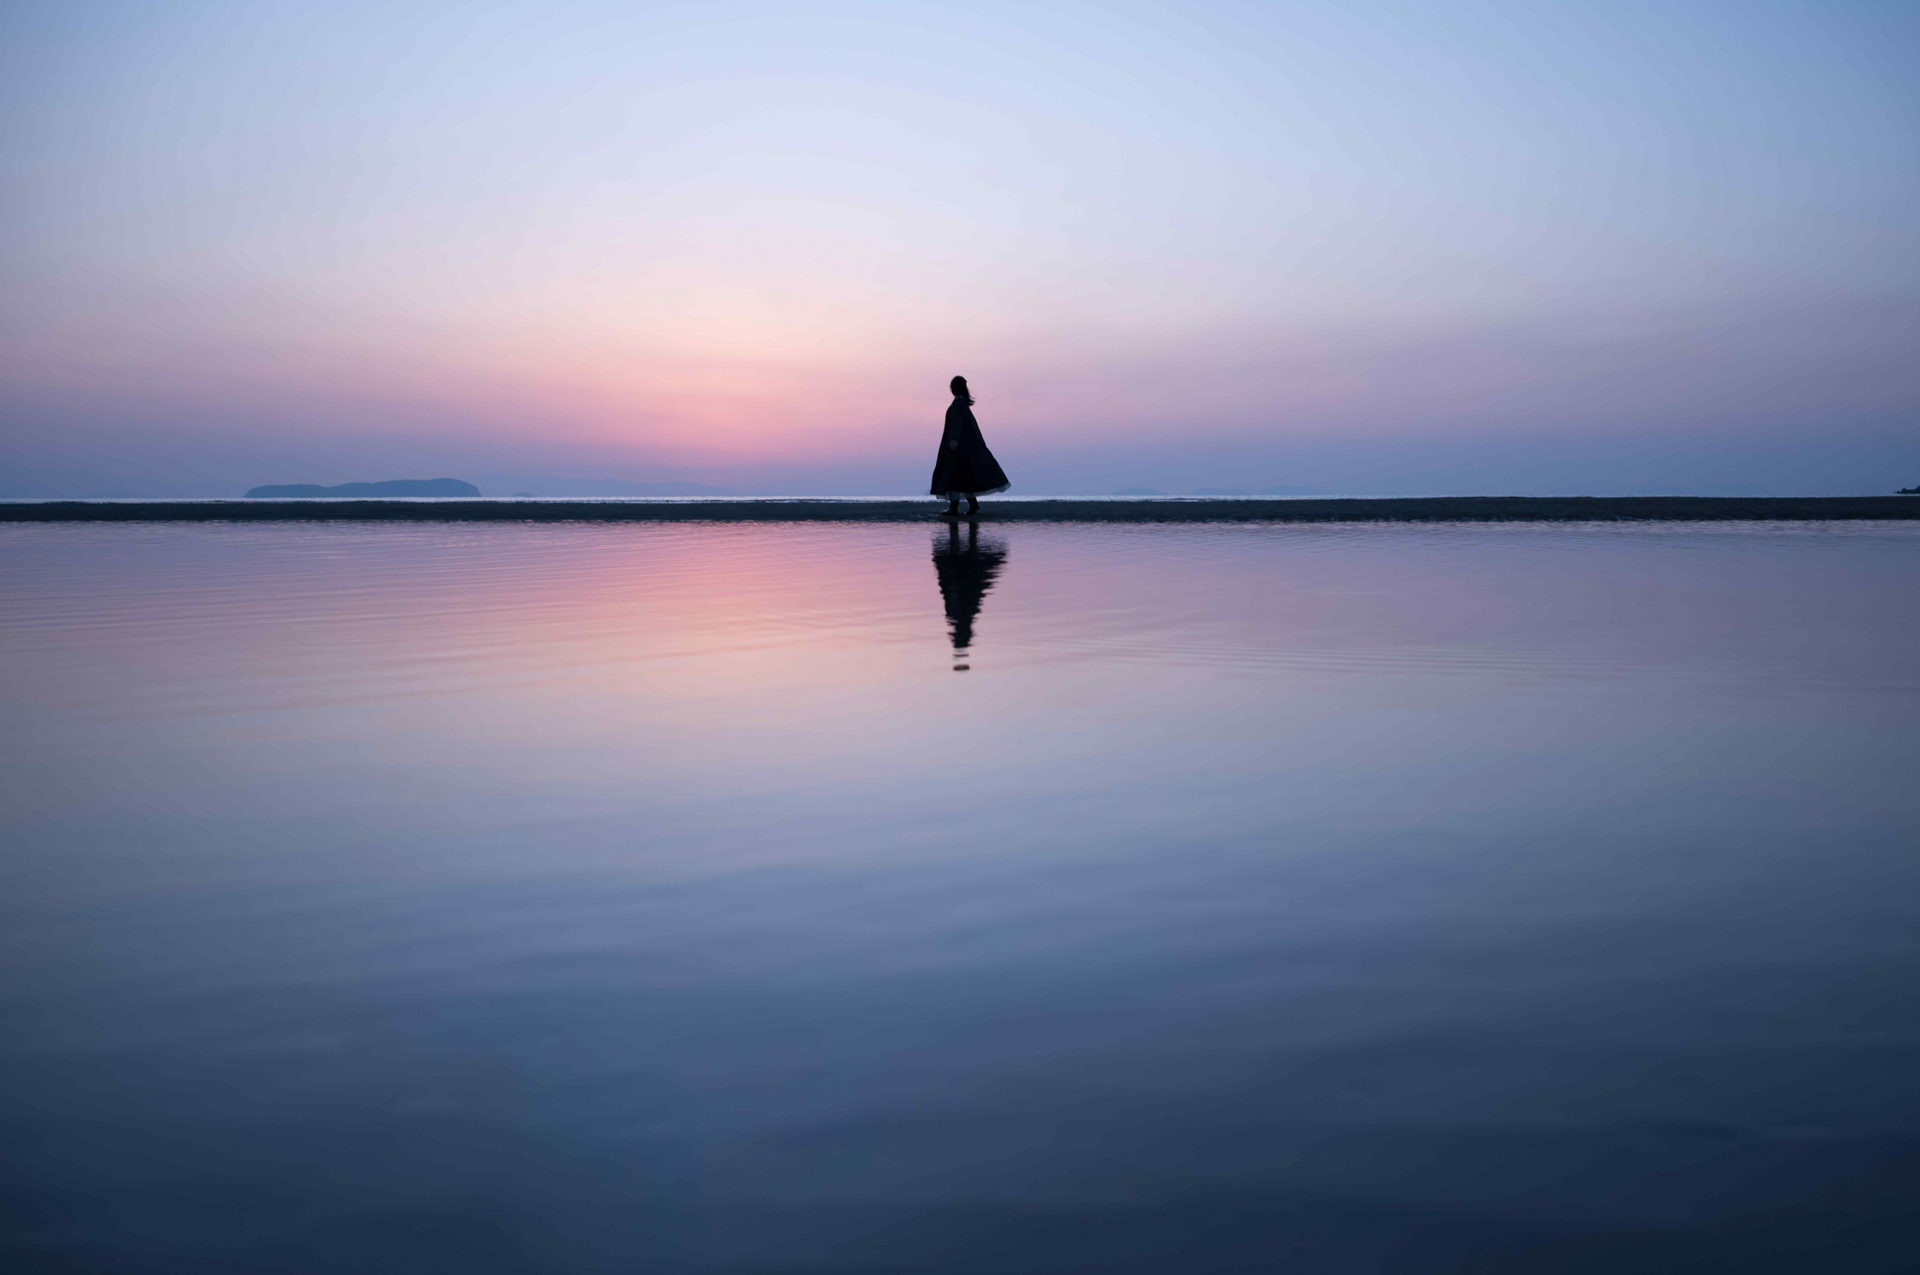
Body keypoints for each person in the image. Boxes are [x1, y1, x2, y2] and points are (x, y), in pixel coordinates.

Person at [929, 375, 1009, 516]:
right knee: (962, 477)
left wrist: (953, 440)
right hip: (965, 448)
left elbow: (956, 424)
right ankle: (971, 505)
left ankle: (955, 507)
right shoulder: (963, 405)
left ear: (952, 389)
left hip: (958, 449)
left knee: (954, 476)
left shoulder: (958, 405)